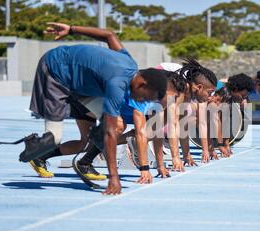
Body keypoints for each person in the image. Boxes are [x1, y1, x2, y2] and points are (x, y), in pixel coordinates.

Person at [20, 22, 167, 195]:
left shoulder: (130, 64)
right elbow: (111, 134)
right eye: (145, 97)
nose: (142, 101)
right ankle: (33, 146)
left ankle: (86, 159)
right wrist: (114, 178)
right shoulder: (117, 84)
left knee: (118, 125)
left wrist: (72, 29)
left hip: (83, 86)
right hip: (54, 71)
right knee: (54, 138)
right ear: (142, 84)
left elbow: (109, 35)